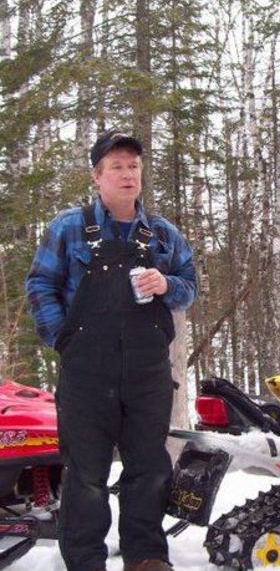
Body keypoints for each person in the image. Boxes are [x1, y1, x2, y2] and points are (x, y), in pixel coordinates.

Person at [26, 129, 197, 571]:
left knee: (149, 469)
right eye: (116, 167)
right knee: (86, 473)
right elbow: (40, 284)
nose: (127, 174)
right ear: (96, 177)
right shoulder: (68, 227)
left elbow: (189, 286)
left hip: (147, 372)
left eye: (133, 166)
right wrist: (63, 339)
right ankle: (86, 561)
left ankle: (146, 557)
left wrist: (167, 285)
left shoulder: (163, 234)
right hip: (87, 371)